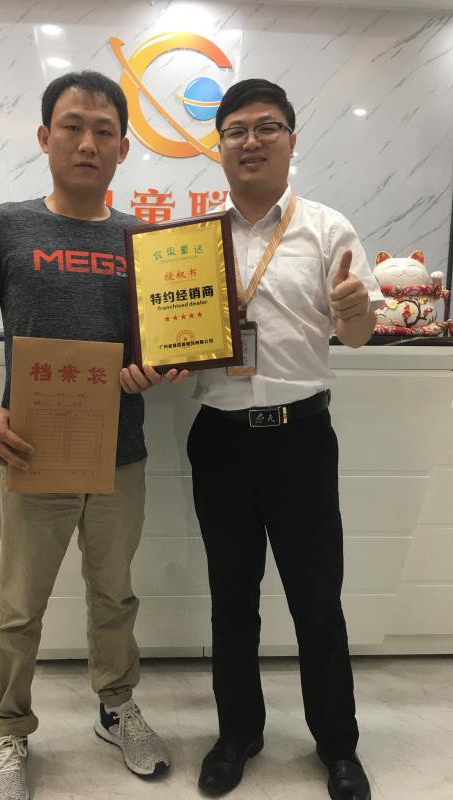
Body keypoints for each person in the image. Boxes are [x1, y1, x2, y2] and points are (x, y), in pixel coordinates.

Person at [0, 70, 186, 800]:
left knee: (114, 597)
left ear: (123, 148)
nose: (88, 142)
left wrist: (155, 369)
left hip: (121, 455)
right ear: (44, 136)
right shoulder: (5, 226)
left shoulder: (145, 239)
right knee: (19, 606)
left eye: (104, 130)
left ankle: (116, 708)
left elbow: (164, 342)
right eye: (73, 126)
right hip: (32, 450)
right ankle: (8, 730)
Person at [187, 79, 383, 800]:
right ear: (219, 147)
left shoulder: (327, 230)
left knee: (316, 598)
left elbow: (357, 337)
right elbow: (172, 337)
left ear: (291, 141)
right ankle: (238, 734)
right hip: (220, 441)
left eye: (267, 127)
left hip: (301, 439)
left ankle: (338, 745)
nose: (251, 141)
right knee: (231, 598)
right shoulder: (190, 241)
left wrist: (354, 309)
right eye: (236, 130)